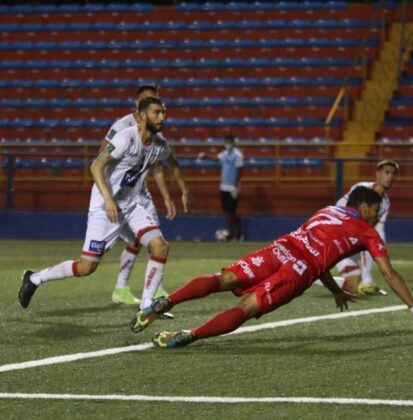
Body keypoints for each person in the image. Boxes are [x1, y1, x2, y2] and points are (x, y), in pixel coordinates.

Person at [131, 186, 413, 349]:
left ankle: (166, 301)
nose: (377, 217)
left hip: (281, 248)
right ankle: (188, 335)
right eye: (376, 211)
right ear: (364, 206)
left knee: (222, 278)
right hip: (299, 270)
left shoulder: (328, 210)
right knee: (245, 309)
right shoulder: (367, 232)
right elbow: (389, 273)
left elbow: (321, 254)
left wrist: (334, 290)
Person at [18, 97, 185, 311]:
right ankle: (35, 278)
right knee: (86, 267)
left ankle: (146, 307)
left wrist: (185, 191)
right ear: (143, 116)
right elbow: (96, 165)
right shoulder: (126, 138)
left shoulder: (160, 145)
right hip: (105, 207)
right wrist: (107, 199)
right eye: (157, 113)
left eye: (163, 113)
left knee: (160, 247)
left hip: (130, 207)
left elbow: (173, 163)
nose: (162, 117)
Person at [105, 84, 192, 306]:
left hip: (140, 193)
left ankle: (138, 290)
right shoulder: (122, 126)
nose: (158, 108)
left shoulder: (155, 130)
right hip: (119, 194)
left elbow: (157, 166)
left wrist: (167, 197)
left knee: (153, 241)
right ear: (138, 105)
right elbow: (102, 158)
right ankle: (132, 289)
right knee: (92, 259)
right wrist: (106, 194)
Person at [313, 160, 398, 296]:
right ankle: (312, 275)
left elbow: (376, 231)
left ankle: (315, 278)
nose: (390, 177)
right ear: (378, 174)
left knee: (353, 287)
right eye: (386, 172)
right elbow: (342, 208)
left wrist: (379, 245)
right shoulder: (361, 188)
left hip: (348, 242)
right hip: (334, 236)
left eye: (393, 174)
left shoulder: (385, 203)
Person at [217, 134, 244, 241]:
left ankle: (235, 233)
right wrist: (205, 156)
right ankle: (231, 232)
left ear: (233, 143)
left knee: (231, 211)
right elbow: (216, 158)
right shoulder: (224, 154)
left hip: (232, 187)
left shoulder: (238, 155)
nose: (228, 144)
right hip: (223, 186)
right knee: (226, 211)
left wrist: (236, 185)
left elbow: (240, 169)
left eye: (229, 142)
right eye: (226, 142)